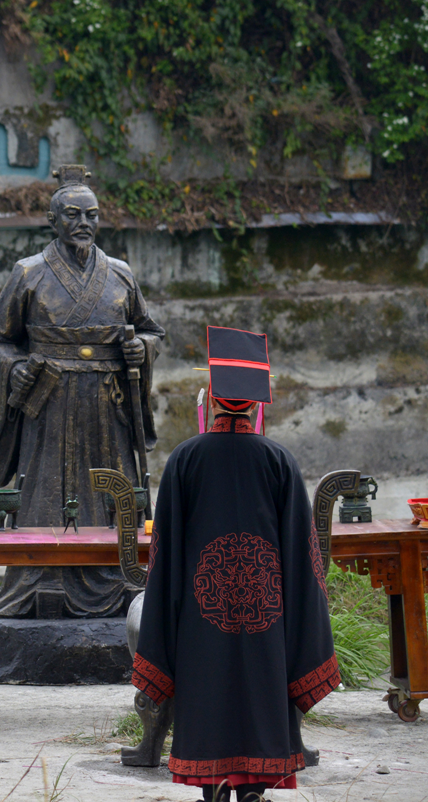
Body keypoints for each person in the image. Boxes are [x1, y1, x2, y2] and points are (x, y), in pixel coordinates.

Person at [133, 327, 338, 802]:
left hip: (201, 623)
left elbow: (163, 559)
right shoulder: (279, 461)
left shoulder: (184, 460)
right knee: (262, 698)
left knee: (206, 697)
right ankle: (254, 792)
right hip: (268, 621)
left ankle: (214, 789)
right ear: (257, 405)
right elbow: (304, 561)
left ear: (209, 399)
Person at [0, 165, 165, 618]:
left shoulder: (120, 274)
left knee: (111, 490)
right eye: (73, 215)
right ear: (52, 220)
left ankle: (119, 579)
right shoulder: (29, 273)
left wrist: (140, 348)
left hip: (108, 401)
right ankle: (39, 581)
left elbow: (151, 331)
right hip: (51, 400)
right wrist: (15, 367)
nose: (83, 223)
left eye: (92, 215)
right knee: (45, 486)